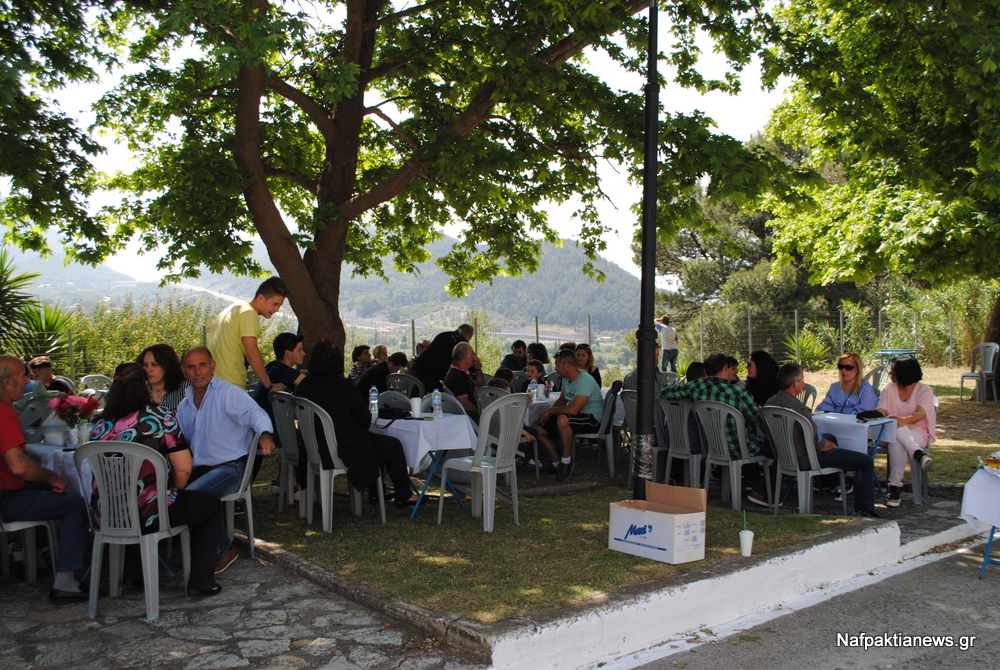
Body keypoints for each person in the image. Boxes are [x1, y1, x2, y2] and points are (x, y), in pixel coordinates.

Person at [90, 364, 226, 594]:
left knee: (134, 497)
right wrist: (175, 492)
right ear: (145, 386)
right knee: (210, 504)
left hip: (108, 513)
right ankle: (201, 582)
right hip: (150, 512)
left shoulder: (100, 424)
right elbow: (183, 468)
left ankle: (136, 575)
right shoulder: (160, 417)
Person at [175, 347, 276, 573]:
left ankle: (224, 549)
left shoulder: (227, 393)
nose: (197, 371)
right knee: (169, 495)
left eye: (202, 365)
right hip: (200, 468)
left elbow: (255, 413)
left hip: (232, 468)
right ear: (184, 372)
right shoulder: (185, 405)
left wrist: (265, 434)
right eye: (191, 367)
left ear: (213, 366)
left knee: (190, 500)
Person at [0, 356, 89, 603]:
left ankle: (39, 555)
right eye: (23, 377)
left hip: (8, 490)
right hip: (6, 497)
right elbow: (18, 466)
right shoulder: (4, 412)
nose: (27, 381)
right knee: (74, 503)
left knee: (51, 490)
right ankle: (66, 583)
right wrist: (55, 478)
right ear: (7, 382)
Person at [295, 340, 416, 508]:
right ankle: (403, 493)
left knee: (372, 444)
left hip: (312, 448)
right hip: (343, 448)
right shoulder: (344, 386)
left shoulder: (304, 386)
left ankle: (377, 491)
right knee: (390, 445)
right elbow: (365, 420)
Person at [765, 363, 880, 517]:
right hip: (807, 459)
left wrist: (827, 442)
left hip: (785, 456)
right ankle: (864, 509)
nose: (804, 383)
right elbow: (817, 443)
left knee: (830, 438)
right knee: (865, 461)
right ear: (795, 384)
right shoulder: (799, 409)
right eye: (802, 380)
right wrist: (829, 445)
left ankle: (833, 484)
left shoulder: (770, 403)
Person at [661, 352, 771, 505]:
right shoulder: (739, 394)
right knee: (777, 447)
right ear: (726, 368)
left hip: (712, 447)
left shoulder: (695, 387)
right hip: (740, 448)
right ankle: (761, 490)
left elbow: (665, 392)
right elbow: (758, 419)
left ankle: (753, 482)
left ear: (705, 371)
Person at [869, 356, 936, 508]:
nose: (890, 374)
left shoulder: (924, 390)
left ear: (904, 373)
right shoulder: (888, 388)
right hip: (889, 431)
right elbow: (882, 410)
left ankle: (895, 488)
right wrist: (887, 418)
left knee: (897, 442)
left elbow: (920, 414)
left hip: (917, 431)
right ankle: (918, 454)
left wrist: (901, 421)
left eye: (893, 372)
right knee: (893, 427)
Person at [206, 276, 290, 391]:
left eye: (279, 305)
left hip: (213, 381)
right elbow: (252, 354)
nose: (277, 310)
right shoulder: (249, 313)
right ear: (261, 298)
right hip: (229, 384)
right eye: (275, 304)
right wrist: (269, 386)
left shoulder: (235, 308)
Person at [533, 348, 604, 481]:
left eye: (558, 365)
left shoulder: (584, 381)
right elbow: (562, 400)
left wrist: (549, 411)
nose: (555, 368)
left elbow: (573, 410)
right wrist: (547, 417)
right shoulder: (566, 379)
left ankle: (566, 461)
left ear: (568, 365)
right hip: (576, 418)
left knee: (563, 419)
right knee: (537, 428)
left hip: (592, 419)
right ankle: (556, 463)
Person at [409, 324, 474, 391]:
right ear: (468, 336)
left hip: (418, 372)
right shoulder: (461, 343)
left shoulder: (442, 335)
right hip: (435, 379)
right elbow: (471, 363)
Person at [137, 343, 188, 410]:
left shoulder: (186, 388)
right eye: (145, 365)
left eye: (154, 364)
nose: (148, 370)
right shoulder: (137, 392)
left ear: (167, 365)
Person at [444, 342, 485, 420]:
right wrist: (483, 415)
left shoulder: (464, 372)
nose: (475, 357)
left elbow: (480, 385)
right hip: (469, 419)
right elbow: (465, 404)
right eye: (473, 354)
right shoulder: (456, 376)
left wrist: (478, 369)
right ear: (466, 357)